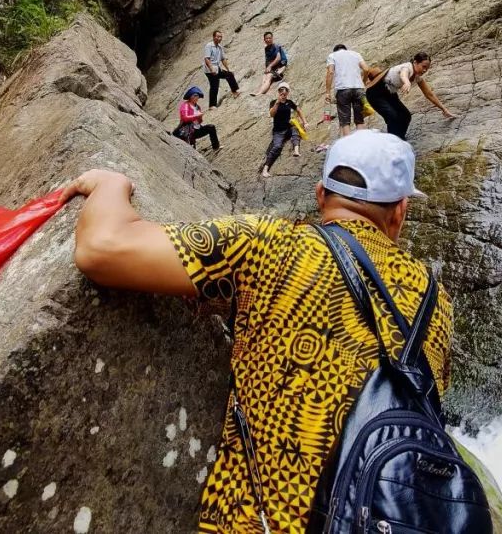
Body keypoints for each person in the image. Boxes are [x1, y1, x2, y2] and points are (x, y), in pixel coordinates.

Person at [66, 130, 452, 534]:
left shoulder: (270, 246)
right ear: (400, 211)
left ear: (320, 195)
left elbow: (101, 247)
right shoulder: (435, 299)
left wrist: (111, 183)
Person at [365, 51, 455, 140]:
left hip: (390, 94)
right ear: (415, 62)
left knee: (405, 115)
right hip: (375, 92)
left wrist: (444, 109)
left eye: (427, 69)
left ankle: (400, 139)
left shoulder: (417, 77)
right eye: (423, 66)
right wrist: (407, 82)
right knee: (392, 116)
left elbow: (429, 94)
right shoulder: (407, 67)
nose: (424, 70)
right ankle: (393, 143)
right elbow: (403, 74)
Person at [325, 43, 371, 139]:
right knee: (359, 120)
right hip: (358, 89)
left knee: (345, 121)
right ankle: (363, 144)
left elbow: (330, 72)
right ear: (345, 49)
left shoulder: (332, 55)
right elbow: (366, 69)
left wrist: (328, 92)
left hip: (343, 89)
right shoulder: (356, 54)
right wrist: (363, 82)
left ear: (335, 50)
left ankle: (349, 147)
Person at [261, 83, 306, 178]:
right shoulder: (273, 102)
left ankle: (296, 150)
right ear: (278, 92)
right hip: (278, 130)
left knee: (296, 130)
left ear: (288, 93)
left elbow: (299, 110)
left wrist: (305, 122)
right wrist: (277, 102)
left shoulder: (289, 102)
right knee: (277, 147)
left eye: (285, 93)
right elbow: (272, 114)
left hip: (288, 127)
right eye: (281, 92)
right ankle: (265, 168)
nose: (283, 95)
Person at [172, 86, 219, 151]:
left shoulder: (197, 107)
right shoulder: (185, 105)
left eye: (197, 96)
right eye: (195, 95)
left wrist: (200, 118)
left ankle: (216, 147)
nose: (197, 97)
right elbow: (185, 118)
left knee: (211, 127)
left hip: (196, 129)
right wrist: (196, 116)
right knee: (191, 148)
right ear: (190, 96)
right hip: (186, 130)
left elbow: (199, 121)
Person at [203, 30, 240, 106]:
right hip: (209, 70)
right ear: (214, 37)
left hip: (217, 68)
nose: (219, 38)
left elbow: (223, 59)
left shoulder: (220, 47)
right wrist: (211, 69)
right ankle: (212, 106)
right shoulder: (209, 46)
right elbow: (207, 59)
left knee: (229, 74)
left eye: (221, 37)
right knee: (214, 86)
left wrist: (229, 69)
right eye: (218, 36)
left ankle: (234, 92)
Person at [251, 32, 288, 96]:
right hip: (274, 67)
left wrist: (270, 66)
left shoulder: (276, 46)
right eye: (266, 38)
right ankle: (261, 90)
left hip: (280, 66)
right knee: (264, 77)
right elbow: (268, 60)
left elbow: (278, 58)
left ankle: (260, 93)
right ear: (264, 40)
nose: (268, 40)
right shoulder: (266, 48)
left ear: (272, 38)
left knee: (268, 77)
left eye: (269, 38)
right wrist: (267, 68)